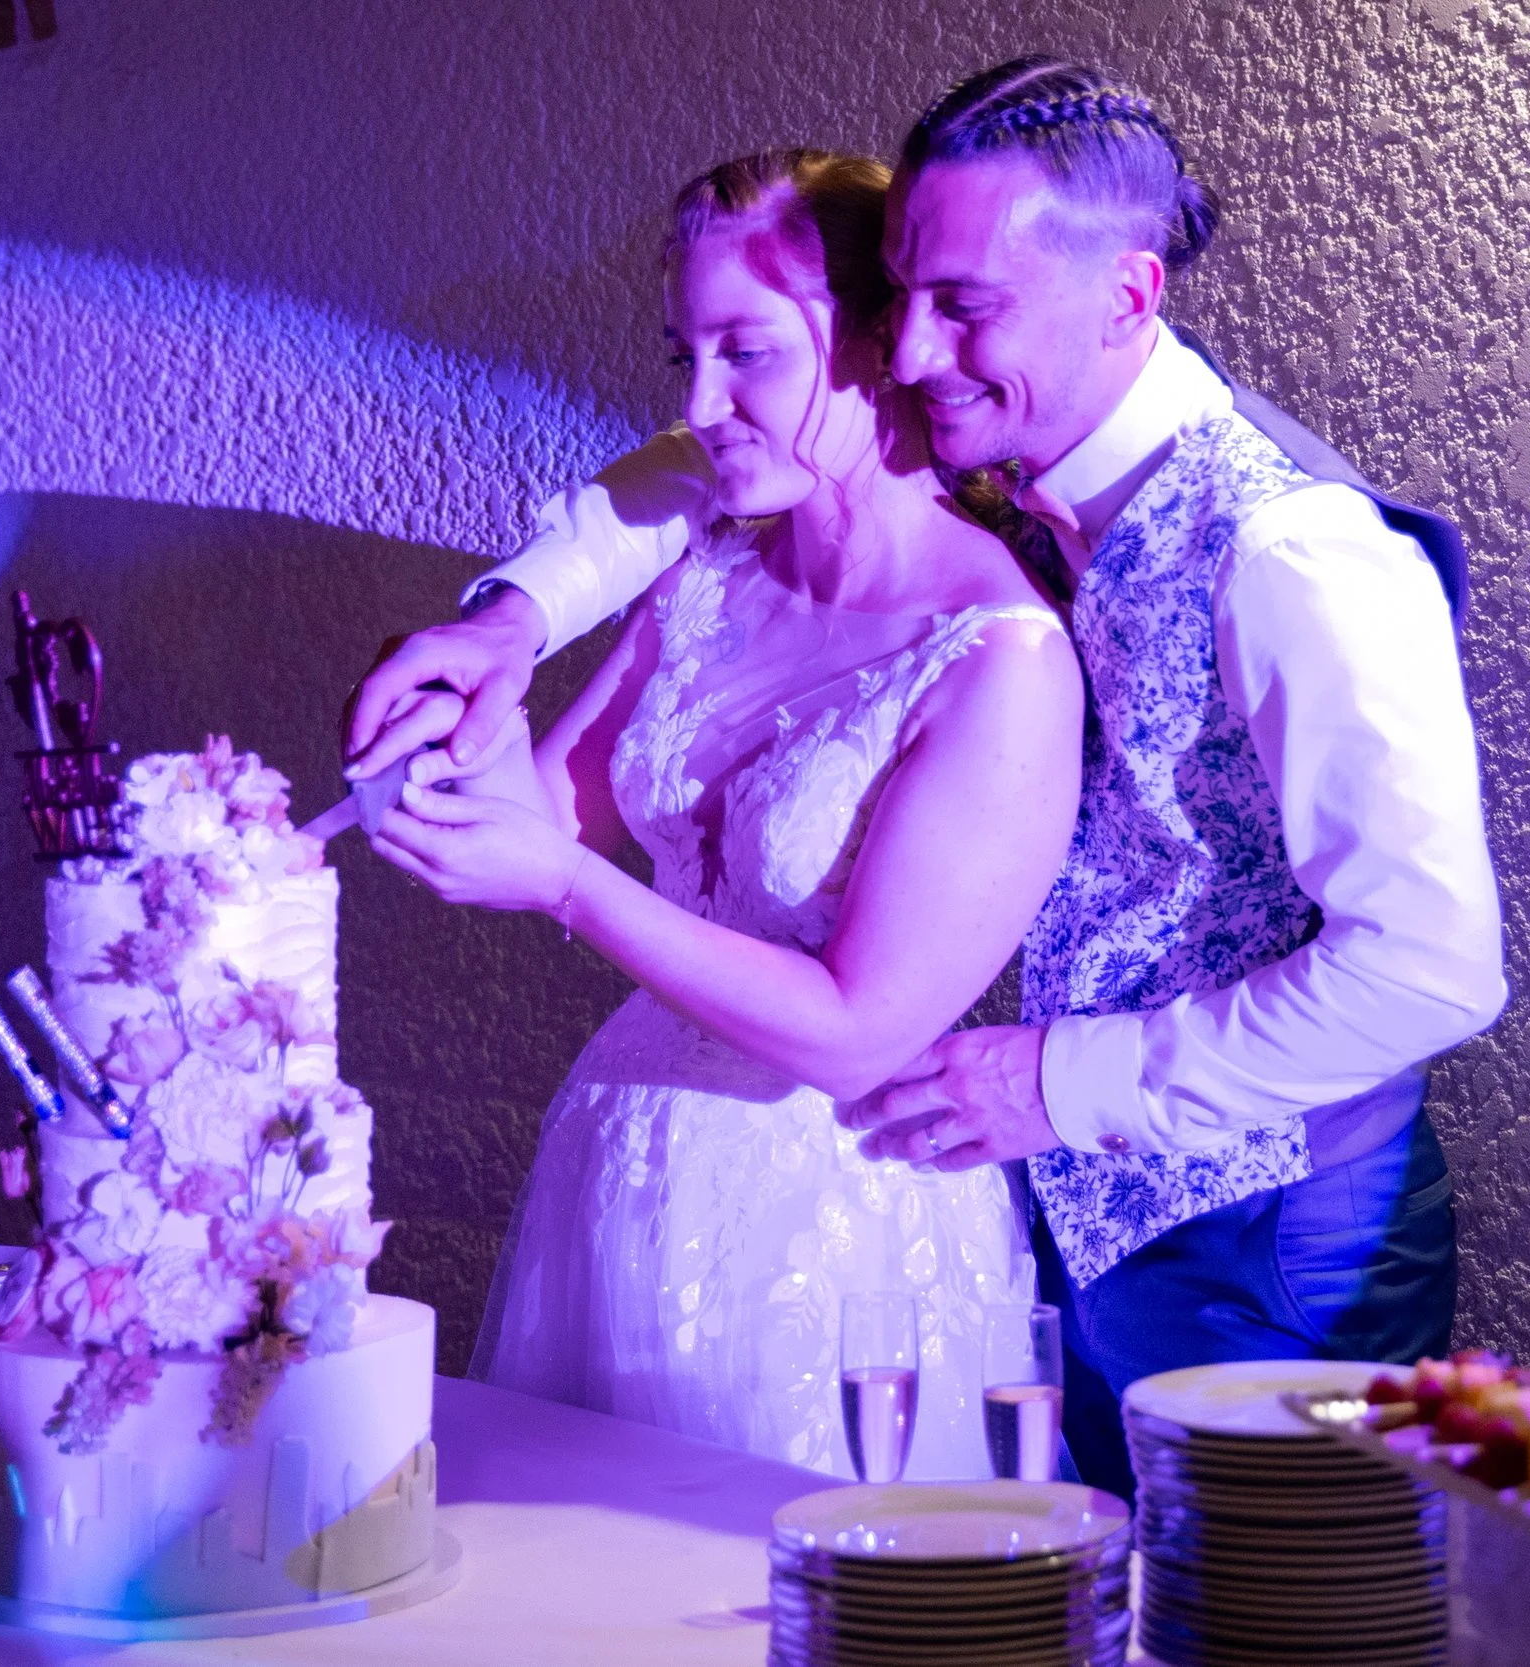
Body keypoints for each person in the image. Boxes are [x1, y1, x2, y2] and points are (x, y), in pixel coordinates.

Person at [350, 59, 1505, 1500]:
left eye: (963, 307)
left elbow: (1436, 970)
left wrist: (1058, 1079)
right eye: (902, 305)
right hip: (1061, 1204)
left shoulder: (1291, 552)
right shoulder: (1005, 455)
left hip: (1277, 1232)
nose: (904, 357)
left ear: (1128, 298)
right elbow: (703, 459)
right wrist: (515, 608)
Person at [365, 149, 1085, 1479]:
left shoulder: (1001, 655)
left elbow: (863, 1027)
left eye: (745, 353)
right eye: (682, 357)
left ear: (885, 341)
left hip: (832, 1223)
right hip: (620, 1166)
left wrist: (567, 888)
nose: (701, 405)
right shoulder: (707, 572)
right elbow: (545, 808)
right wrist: (463, 701)